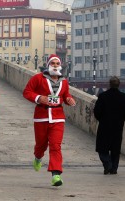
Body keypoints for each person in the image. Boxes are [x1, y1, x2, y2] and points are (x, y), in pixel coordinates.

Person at [23, 54, 76, 186]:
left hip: (58, 118)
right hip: (41, 117)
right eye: (52, 63)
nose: (55, 66)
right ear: (48, 65)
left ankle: (56, 174)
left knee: (55, 145)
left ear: (60, 66)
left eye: (57, 64)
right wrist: (39, 98)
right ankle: (38, 157)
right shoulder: (38, 78)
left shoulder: (64, 81)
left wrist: (69, 100)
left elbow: (65, 95)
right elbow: (27, 92)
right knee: (41, 145)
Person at [93, 76, 125, 175]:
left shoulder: (103, 96)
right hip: (118, 126)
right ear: (119, 85)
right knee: (115, 148)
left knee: (102, 148)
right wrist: (122, 119)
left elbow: (97, 111)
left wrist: (101, 119)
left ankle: (107, 165)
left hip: (104, 125)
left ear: (109, 84)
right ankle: (114, 168)